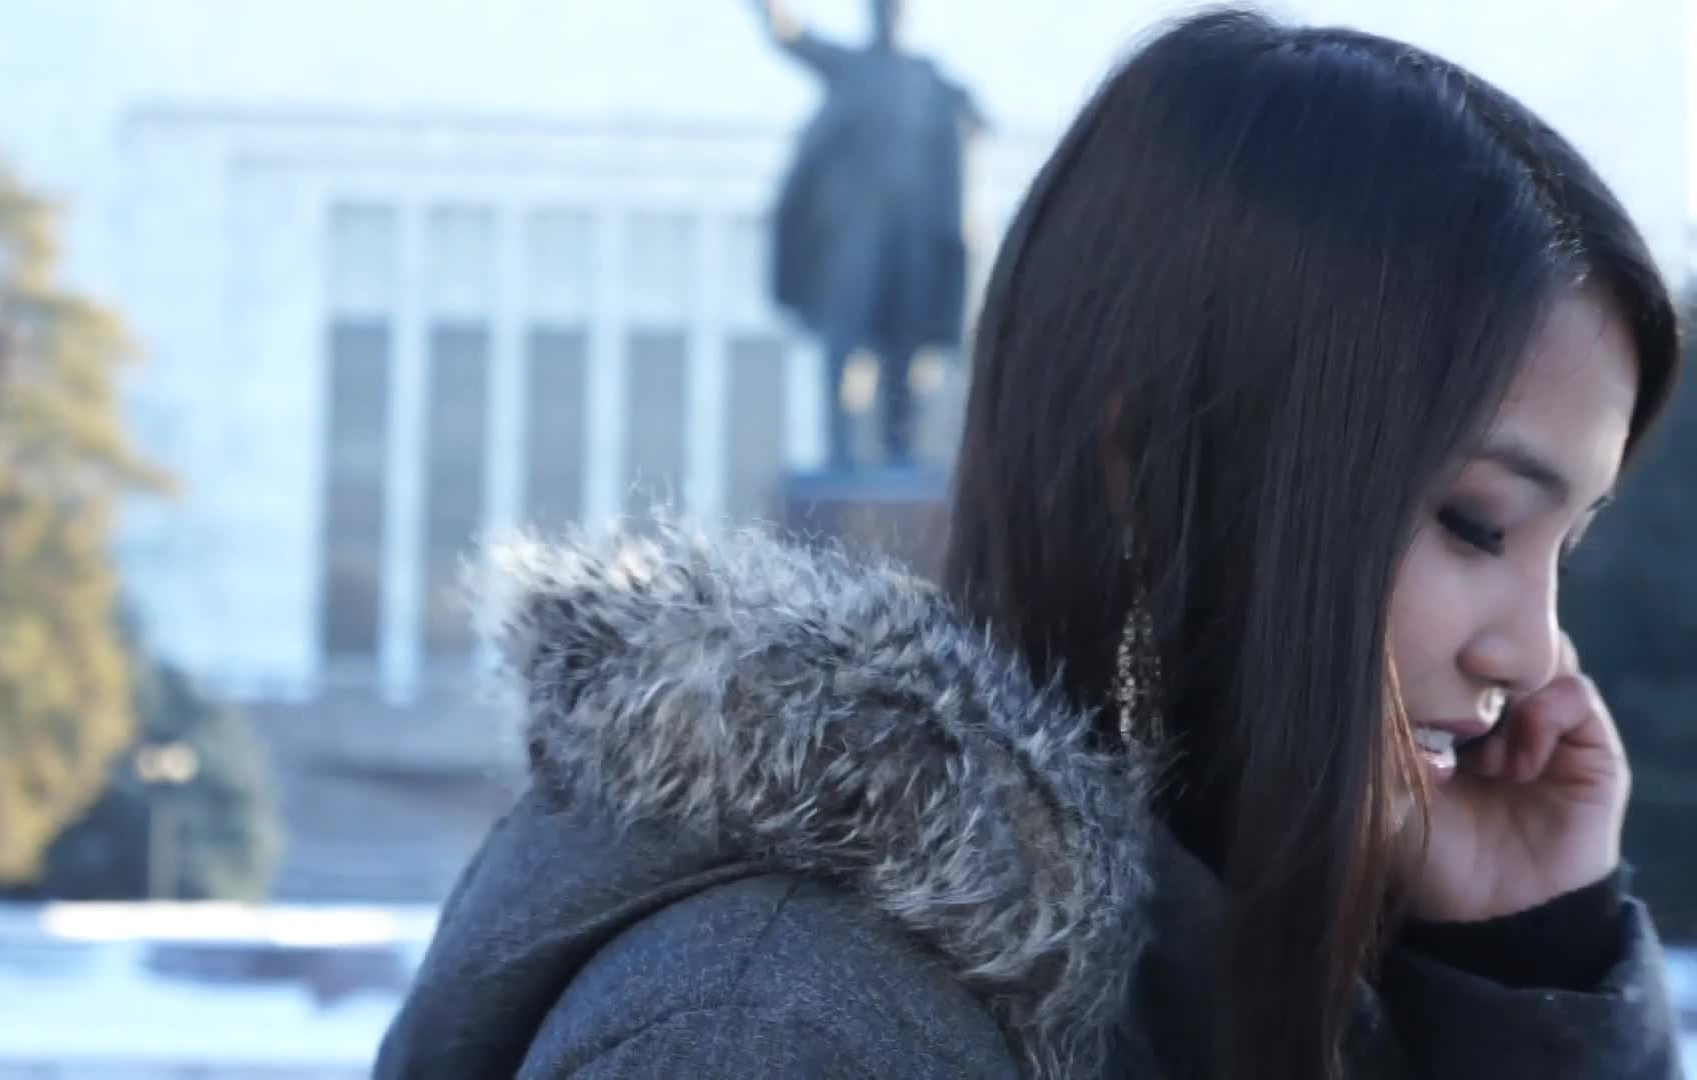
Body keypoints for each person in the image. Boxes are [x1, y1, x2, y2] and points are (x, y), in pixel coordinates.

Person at [376, 10, 1685, 1080]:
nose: (1536, 652)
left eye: (1563, 547)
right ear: (1152, 462)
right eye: (1476, 523)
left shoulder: (1244, 967)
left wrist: (1525, 967)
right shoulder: (778, 1028)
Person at [753, 0, 984, 469]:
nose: (889, 15)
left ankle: (900, 449)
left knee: (906, 343)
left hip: (914, 236)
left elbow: (973, 122)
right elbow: (791, 36)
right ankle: (839, 451)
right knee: (845, 336)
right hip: (859, 232)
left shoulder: (929, 79)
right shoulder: (853, 67)